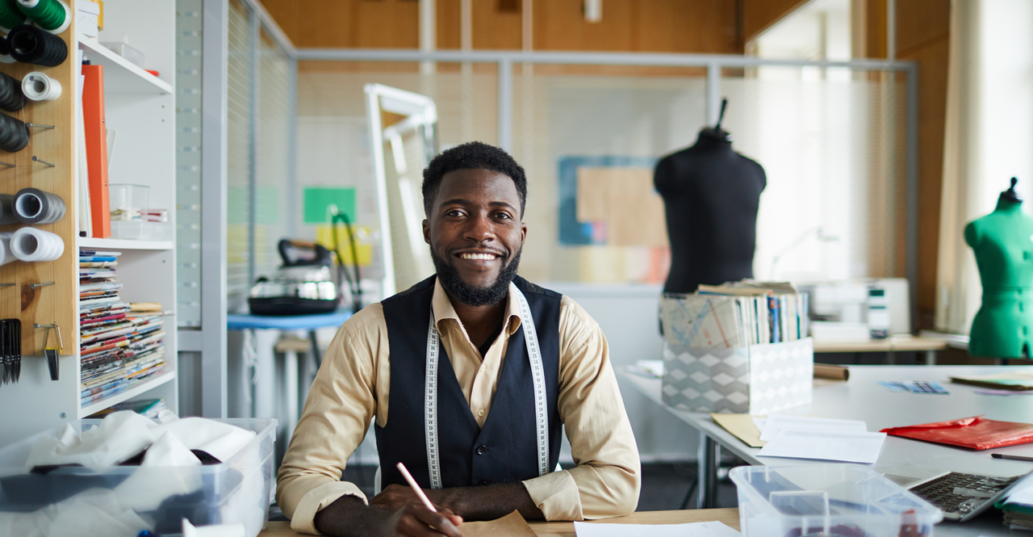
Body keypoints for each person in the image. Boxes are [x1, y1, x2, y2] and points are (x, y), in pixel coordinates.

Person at [276, 142, 641, 537]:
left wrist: (457, 501)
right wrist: (374, 522)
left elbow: (617, 479)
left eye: (499, 215)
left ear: (520, 233)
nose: (480, 231)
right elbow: (303, 474)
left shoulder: (568, 327)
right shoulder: (371, 331)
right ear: (428, 229)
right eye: (456, 213)